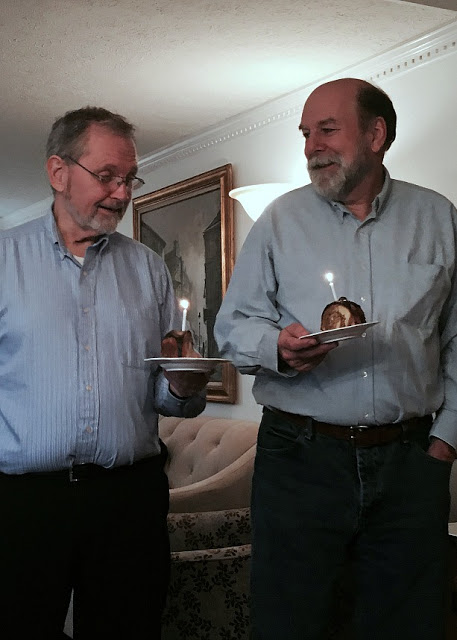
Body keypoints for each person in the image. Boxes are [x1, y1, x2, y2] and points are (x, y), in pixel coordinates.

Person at [214, 78, 457, 640]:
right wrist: (276, 346)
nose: (311, 147)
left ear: (377, 134)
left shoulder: (439, 219)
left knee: (409, 622)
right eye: (305, 134)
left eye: (327, 130)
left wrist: (446, 439)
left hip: (411, 461)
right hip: (299, 460)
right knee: (290, 622)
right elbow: (233, 327)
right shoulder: (279, 220)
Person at [0, 106, 210, 640]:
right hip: (24, 504)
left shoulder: (148, 268)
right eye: (107, 176)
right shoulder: (4, 260)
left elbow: (168, 398)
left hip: (127, 501)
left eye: (129, 178)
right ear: (58, 171)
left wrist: (183, 387)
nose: (121, 193)